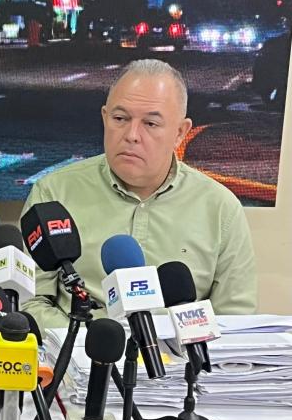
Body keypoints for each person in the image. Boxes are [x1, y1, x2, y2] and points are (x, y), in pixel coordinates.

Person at [21, 58, 257, 331]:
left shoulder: (220, 208)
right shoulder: (53, 194)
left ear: (180, 132)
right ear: (105, 118)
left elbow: (235, 321)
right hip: (79, 350)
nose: (132, 135)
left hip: (180, 356)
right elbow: (31, 301)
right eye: (120, 119)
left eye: (151, 124)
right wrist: (91, 343)